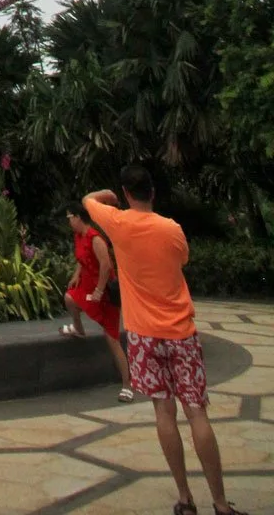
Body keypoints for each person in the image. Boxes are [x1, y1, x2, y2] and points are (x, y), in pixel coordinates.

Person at [85, 167, 246, 515]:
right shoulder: (171, 230)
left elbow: (87, 200)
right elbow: (182, 259)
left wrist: (109, 197)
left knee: (163, 411)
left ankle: (185, 498)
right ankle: (220, 502)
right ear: (153, 192)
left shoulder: (117, 223)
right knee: (196, 412)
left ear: (128, 193)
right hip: (180, 332)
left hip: (144, 334)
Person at [61, 202, 132, 399]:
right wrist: (77, 274)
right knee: (69, 298)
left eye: (69, 217)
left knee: (112, 339)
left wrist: (100, 290)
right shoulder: (79, 236)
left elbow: (106, 265)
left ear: (78, 217)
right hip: (87, 285)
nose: (69, 222)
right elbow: (82, 259)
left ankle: (127, 384)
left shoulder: (95, 238)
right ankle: (78, 328)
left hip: (103, 291)